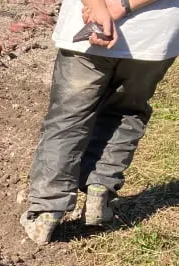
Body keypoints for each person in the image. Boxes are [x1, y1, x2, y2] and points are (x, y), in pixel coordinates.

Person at [20, 0, 179, 244]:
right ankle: (100, 192)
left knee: (67, 119)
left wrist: (100, 7)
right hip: (153, 36)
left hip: (88, 29)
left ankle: (46, 211)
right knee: (125, 112)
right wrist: (124, 6)